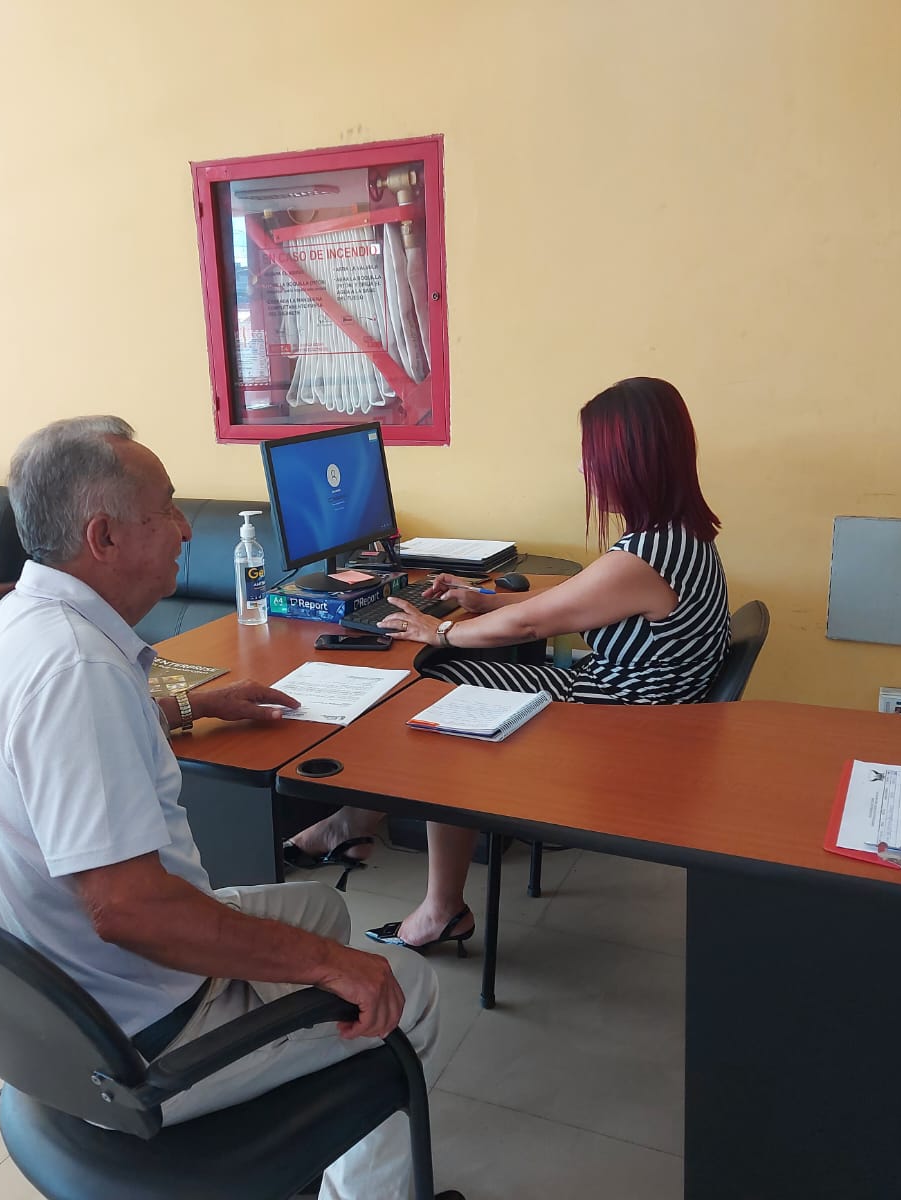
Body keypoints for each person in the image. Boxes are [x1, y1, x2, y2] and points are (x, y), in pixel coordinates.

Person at [0, 416, 459, 1200]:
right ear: (103, 537)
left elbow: (74, 752)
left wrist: (193, 705)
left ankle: (331, 1130)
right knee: (405, 984)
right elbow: (129, 910)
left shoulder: (26, 624)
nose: (185, 529)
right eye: (164, 508)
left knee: (321, 911)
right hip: (147, 1039)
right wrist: (334, 968)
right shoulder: (79, 670)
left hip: (74, 991)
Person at [286, 377, 731, 952]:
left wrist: (441, 630)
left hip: (621, 721)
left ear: (631, 462)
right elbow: (566, 603)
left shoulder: (645, 557)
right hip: (630, 702)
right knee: (443, 684)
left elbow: (531, 627)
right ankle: (358, 826)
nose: (583, 469)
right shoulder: (677, 539)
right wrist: (481, 601)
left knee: (438, 698)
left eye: (591, 456)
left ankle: (432, 900)